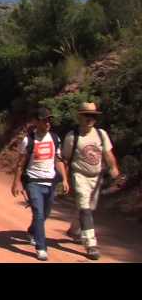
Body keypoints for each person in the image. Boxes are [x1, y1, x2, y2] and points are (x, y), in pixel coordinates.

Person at [62, 102, 121, 260]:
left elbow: (108, 154)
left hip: (96, 177)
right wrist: (64, 179)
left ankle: (74, 230)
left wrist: (114, 169)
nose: (90, 119)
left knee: (87, 208)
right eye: (86, 116)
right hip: (79, 175)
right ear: (80, 116)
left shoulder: (101, 134)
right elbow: (65, 159)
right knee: (84, 206)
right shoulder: (72, 136)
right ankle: (91, 244)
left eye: (93, 116)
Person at [11, 108, 70, 261]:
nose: (48, 123)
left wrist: (64, 179)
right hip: (33, 182)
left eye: (49, 120)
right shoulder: (28, 140)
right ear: (36, 122)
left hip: (50, 182)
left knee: (45, 214)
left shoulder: (55, 139)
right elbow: (20, 163)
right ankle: (41, 247)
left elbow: (58, 160)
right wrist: (16, 183)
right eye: (44, 120)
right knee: (38, 213)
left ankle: (32, 231)